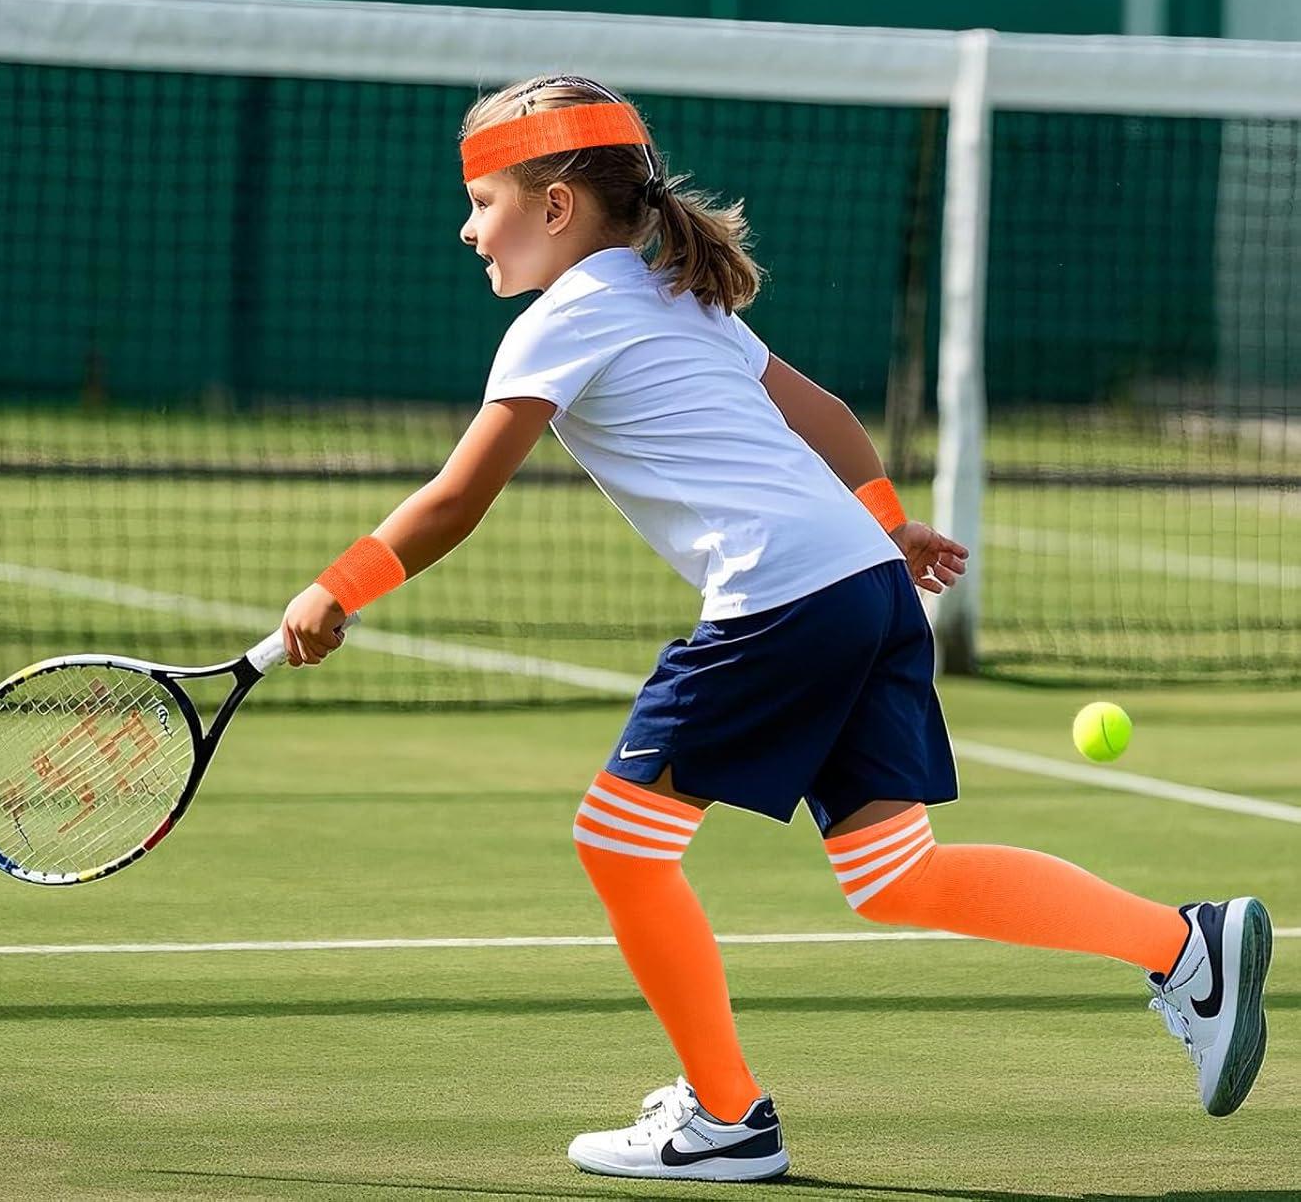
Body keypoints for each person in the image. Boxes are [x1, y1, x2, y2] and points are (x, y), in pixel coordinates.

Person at [278, 75, 1272, 1182]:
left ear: (556, 205)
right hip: (861, 589)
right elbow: (833, 421)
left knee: (617, 844)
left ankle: (727, 1116)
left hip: (782, 601)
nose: (469, 228)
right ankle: (1186, 948)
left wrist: (338, 586)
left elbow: (459, 497)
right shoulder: (678, 298)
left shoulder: (563, 322)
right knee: (894, 875)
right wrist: (890, 533)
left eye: (482, 199)